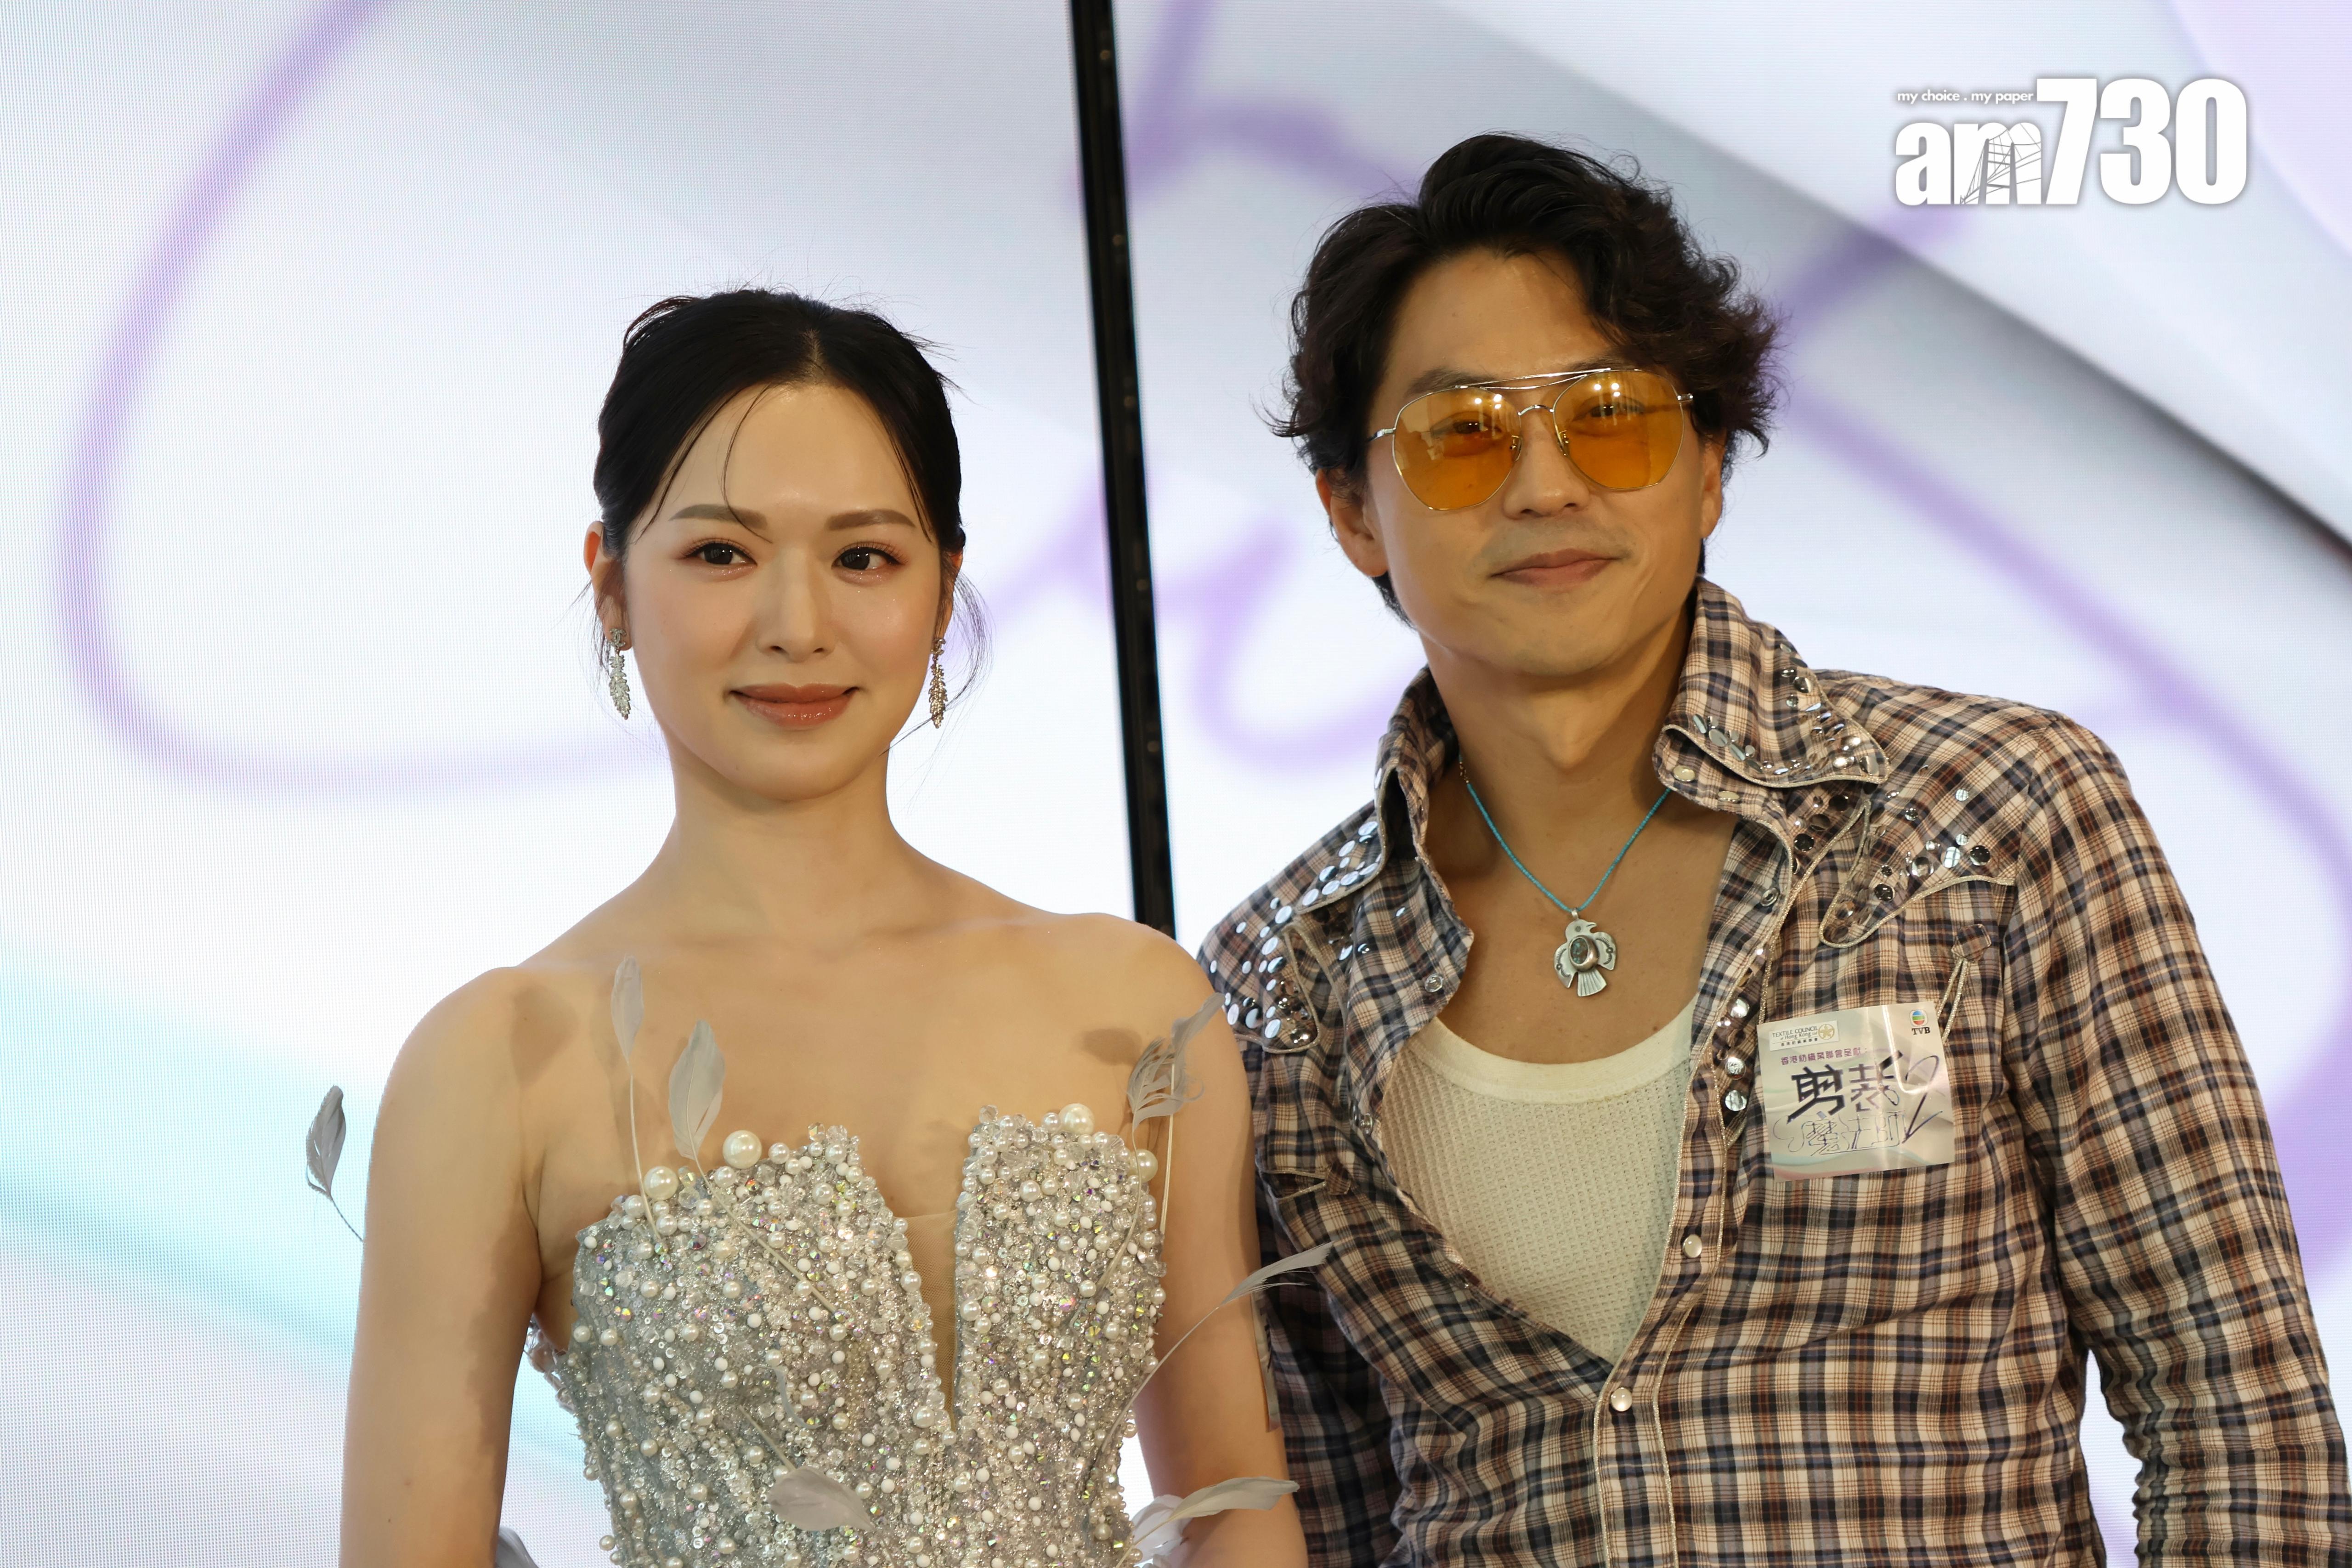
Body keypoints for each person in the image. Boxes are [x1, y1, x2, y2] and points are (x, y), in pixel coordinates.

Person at [1203, 133, 2348, 1564]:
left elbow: (2241, 1419)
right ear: (1351, 512)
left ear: (1708, 469)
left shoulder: (1994, 814)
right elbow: (1314, 1522)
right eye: (1464, 434)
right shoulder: (1277, 983)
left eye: (1611, 419)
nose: (1546, 486)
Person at [340, 289, 1311, 1568]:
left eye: (863, 559)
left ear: (944, 589)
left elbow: (1237, 1502)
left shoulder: (1135, 1006)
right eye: (720, 555)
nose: (797, 626)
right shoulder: (501, 1058)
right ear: (612, 585)